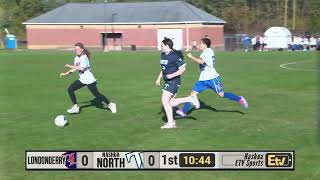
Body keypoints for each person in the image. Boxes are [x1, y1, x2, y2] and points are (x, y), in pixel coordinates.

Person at [176, 38, 248, 117]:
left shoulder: (205, 53)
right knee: (192, 94)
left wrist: (191, 57)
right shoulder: (208, 51)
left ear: (205, 45)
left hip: (212, 78)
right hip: (203, 79)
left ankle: (240, 99)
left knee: (221, 94)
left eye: (200, 43)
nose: (199, 45)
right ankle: (184, 111)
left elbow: (201, 61)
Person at [60, 43, 116, 114]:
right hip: (82, 80)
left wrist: (69, 66)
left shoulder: (84, 57)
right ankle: (75, 107)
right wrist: (66, 73)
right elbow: (75, 68)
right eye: (75, 49)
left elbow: (81, 68)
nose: (76, 50)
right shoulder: (76, 58)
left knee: (97, 94)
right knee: (70, 89)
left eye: (78, 49)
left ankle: (111, 104)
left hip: (89, 80)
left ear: (82, 49)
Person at [155, 38, 199, 129]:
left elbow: (183, 69)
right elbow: (163, 68)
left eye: (162, 45)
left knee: (164, 101)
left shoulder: (174, 56)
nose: (161, 47)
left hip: (174, 81)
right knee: (170, 103)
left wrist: (171, 75)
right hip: (167, 81)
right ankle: (190, 99)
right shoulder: (163, 55)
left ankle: (171, 123)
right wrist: (159, 78)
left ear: (167, 46)